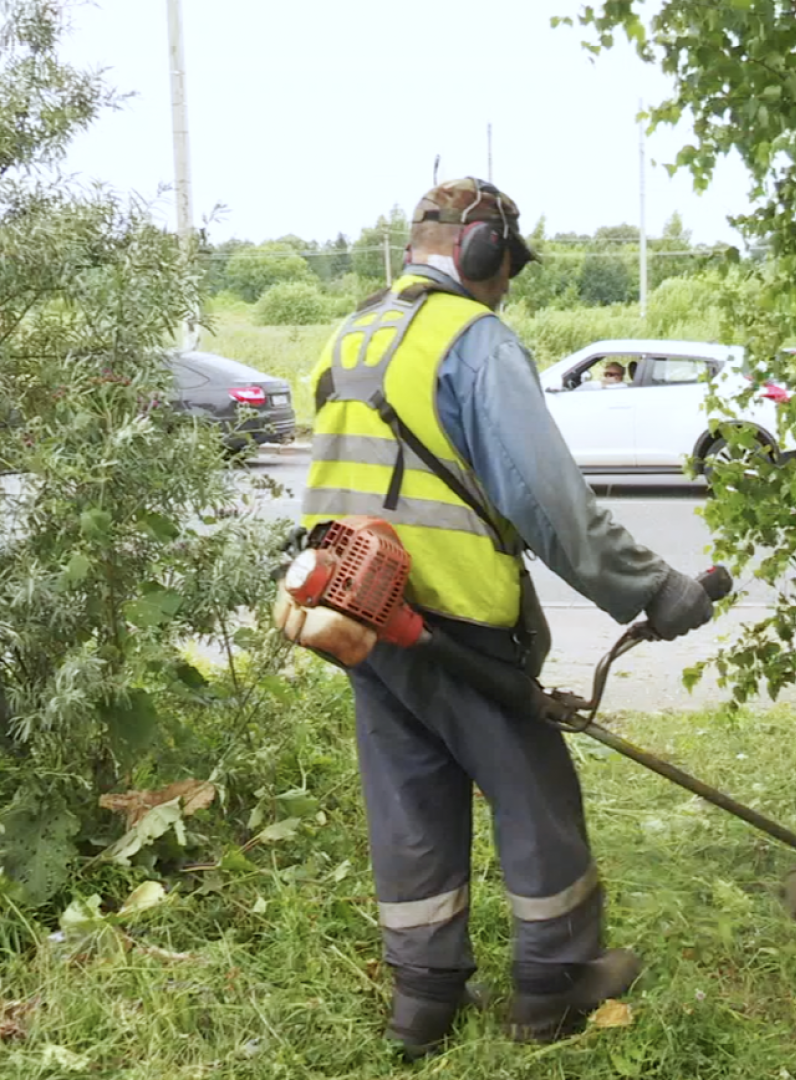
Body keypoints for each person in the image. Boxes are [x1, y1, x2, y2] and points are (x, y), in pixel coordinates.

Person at [298, 178, 716, 1057]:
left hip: (365, 620)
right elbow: (547, 501)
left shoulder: (349, 335)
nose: (506, 288)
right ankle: (554, 989)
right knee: (535, 793)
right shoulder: (472, 340)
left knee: (410, 800)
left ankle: (423, 1003)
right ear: (480, 252)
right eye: (505, 270)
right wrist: (653, 591)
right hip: (455, 624)